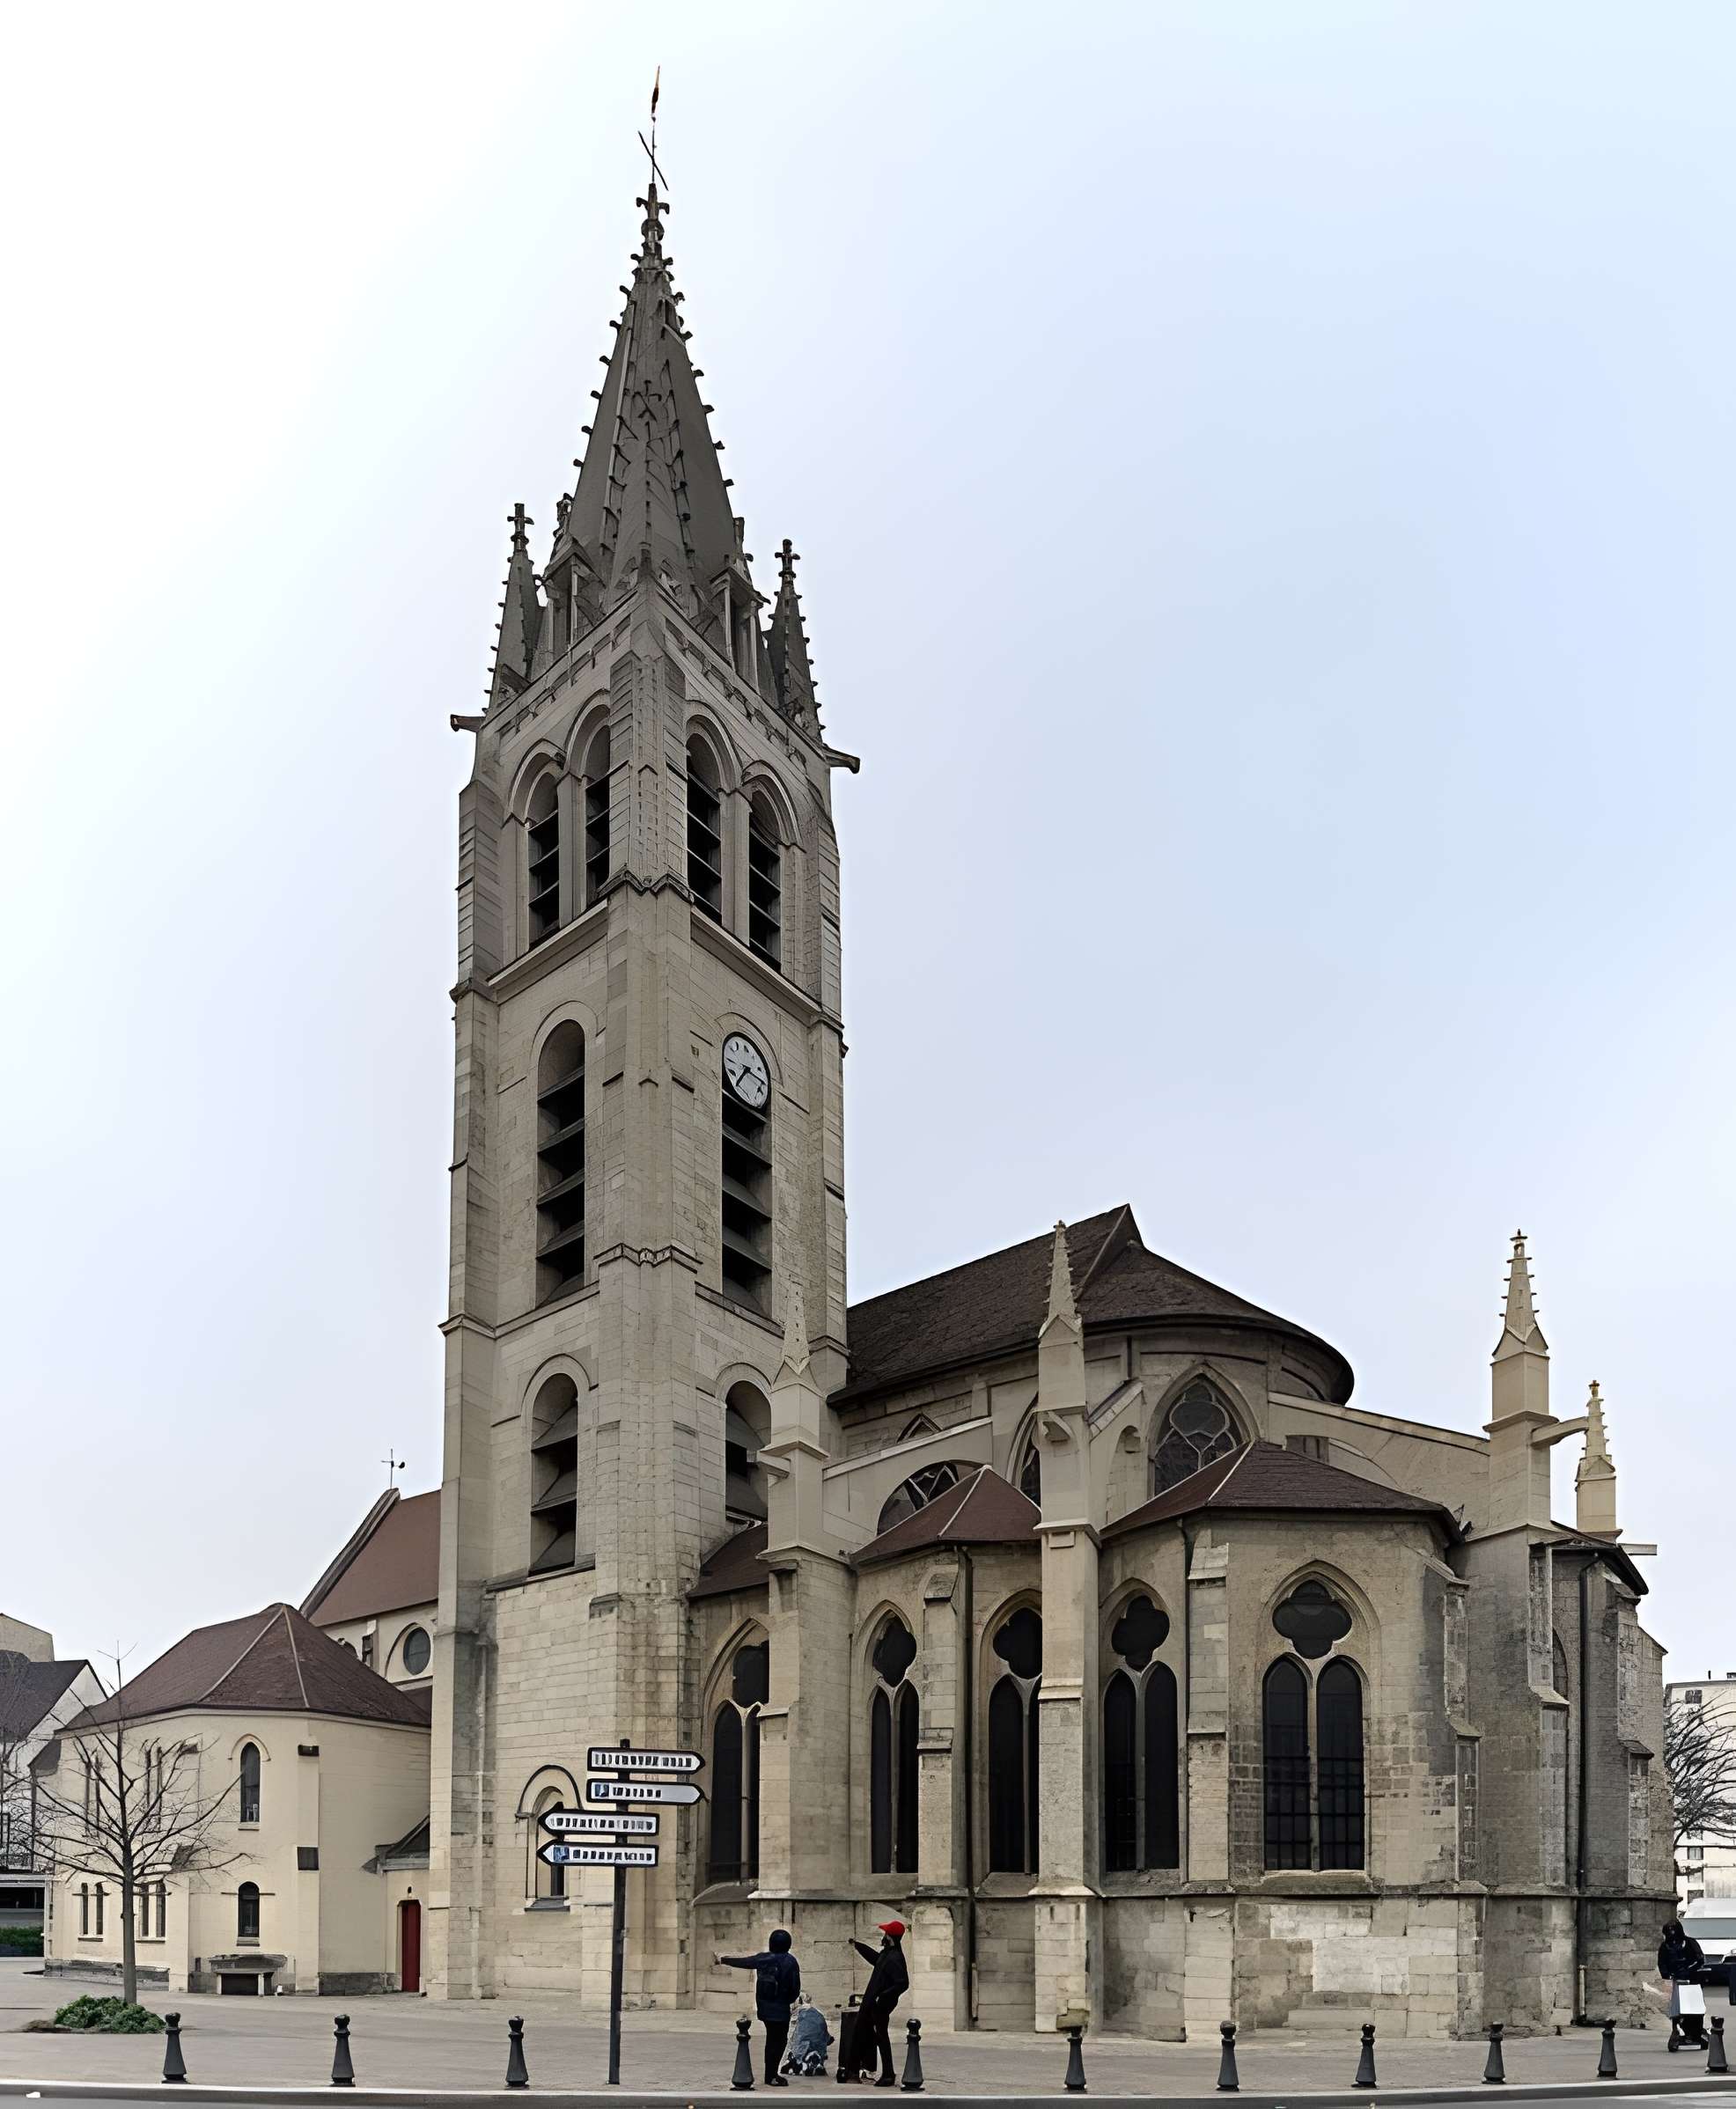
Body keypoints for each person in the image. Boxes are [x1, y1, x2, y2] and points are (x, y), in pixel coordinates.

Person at [717, 1928, 802, 2085]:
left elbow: (745, 1962)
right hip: (780, 2008)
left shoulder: (764, 1959)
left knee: (772, 2040)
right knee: (778, 2041)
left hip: (765, 2008)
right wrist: (788, 2000)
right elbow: (795, 1988)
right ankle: (771, 2075)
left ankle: (770, 2074)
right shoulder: (790, 1961)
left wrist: (724, 1959)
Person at [849, 1920, 909, 2087]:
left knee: (881, 2038)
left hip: (880, 2006)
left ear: (890, 1937)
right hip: (874, 2004)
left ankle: (888, 2074)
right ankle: (862, 2069)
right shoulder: (888, 1953)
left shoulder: (895, 1957)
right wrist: (859, 1946)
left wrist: (882, 1997)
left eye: (886, 1933)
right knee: (873, 2035)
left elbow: (903, 1983)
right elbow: (876, 1959)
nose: (883, 1935)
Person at [1659, 1918, 1708, 2047]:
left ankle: (1696, 2033)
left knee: (1694, 2009)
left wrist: (1689, 1969)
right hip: (1677, 1980)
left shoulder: (1690, 1943)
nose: (1671, 1935)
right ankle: (1678, 2030)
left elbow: (1700, 1959)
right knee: (1678, 2009)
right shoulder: (1665, 1946)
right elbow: (1662, 1962)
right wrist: (1667, 1974)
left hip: (1692, 1980)